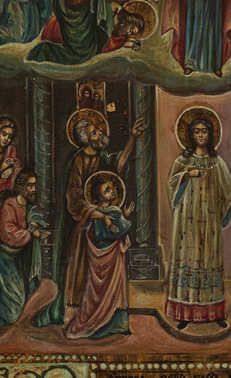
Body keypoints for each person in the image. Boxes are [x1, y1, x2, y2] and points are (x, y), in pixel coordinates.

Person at [33, 112, 144, 327]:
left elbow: (118, 167)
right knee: (80, 270)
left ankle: (103, 310)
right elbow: (74, 197)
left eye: (99, 130)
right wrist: (99, 215)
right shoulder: (78, 161)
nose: (100, 134)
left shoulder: (102, 158)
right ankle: (77, 313)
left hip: (102, 225)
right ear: (86, 139)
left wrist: (132, 138)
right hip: (84, 226)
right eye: (94, 133)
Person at [166, 116, 231, 329]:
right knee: (188, 259)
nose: (201, 135)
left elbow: (228, 187)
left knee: (210, 260)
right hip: (187, 221)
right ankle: (185, 313)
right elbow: (171, 184)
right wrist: (187, 174)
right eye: (197, 131)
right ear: (191, 135)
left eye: (204, 131)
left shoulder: (216, 162)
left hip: (209, 220)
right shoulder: (182, 161)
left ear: (210, 135)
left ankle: (213, 313)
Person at [66, 177, 135, 339]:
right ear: (99, 197)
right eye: (107, 190)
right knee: (101, 290)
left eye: (111, 189)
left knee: (112, 290)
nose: (112, 192)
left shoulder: (108, 212)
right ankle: (98, 323)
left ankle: (115, 324)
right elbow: (108, 234)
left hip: (111, 256)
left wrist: (123, 216)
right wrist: (125, 218)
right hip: (105, 256)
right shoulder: (107, 214)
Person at [0, 169, 49, 326]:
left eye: (35, 186)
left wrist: (35, 223)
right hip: (5, 258)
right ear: (21, 186)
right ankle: (1, 319)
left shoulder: (27, 205)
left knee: (22, 295)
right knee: (14, 305)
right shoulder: (9, 205)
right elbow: (8, 233)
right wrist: (31, 234)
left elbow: (35, 215)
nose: (34, 189)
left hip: (20, 256)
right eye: (30, 186)